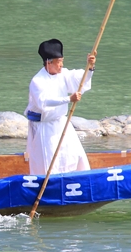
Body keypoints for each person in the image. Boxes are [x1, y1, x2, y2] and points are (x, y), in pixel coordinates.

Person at [26, 39, 96, 175]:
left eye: (62, 61)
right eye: (59, 62)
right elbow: (43, 102)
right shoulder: (37, 81)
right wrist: (69, 99)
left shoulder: (63, 73)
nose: (61, 65)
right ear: (49, 62)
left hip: (61, 123)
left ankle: (76, 179)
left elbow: (79, 79)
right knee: (48, 161)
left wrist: (90, 66)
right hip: (44, 127)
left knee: (74, 155)